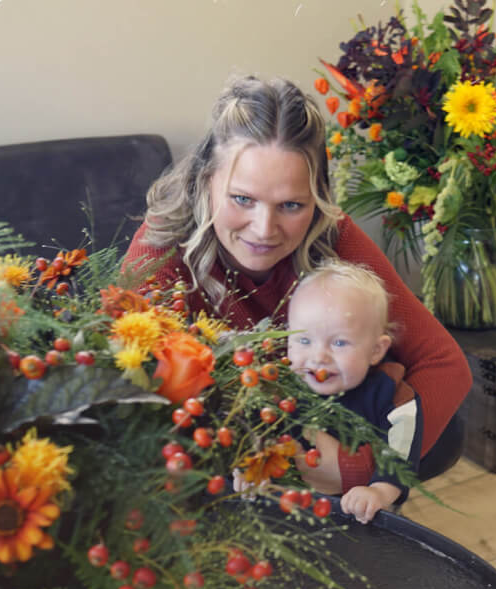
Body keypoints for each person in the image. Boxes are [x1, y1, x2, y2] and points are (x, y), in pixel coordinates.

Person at [122, 74, 472, 492]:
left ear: (318, 196)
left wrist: (363, 471)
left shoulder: (333, 234)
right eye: (242, 199)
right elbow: (134, 395)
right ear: (205, 181)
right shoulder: (161, 245)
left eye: (291, 205)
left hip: (322, 432)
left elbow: (445, 364)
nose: (264, 229)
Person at [286, 259, 422, 523]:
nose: (319, 356)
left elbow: (399, 459)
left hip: (360, 512)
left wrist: (377, 492)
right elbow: (261, 436)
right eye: (304, 340)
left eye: (339, 342)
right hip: (292, 505)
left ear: (375, 351)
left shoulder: (393, 397)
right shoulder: (282, 388)